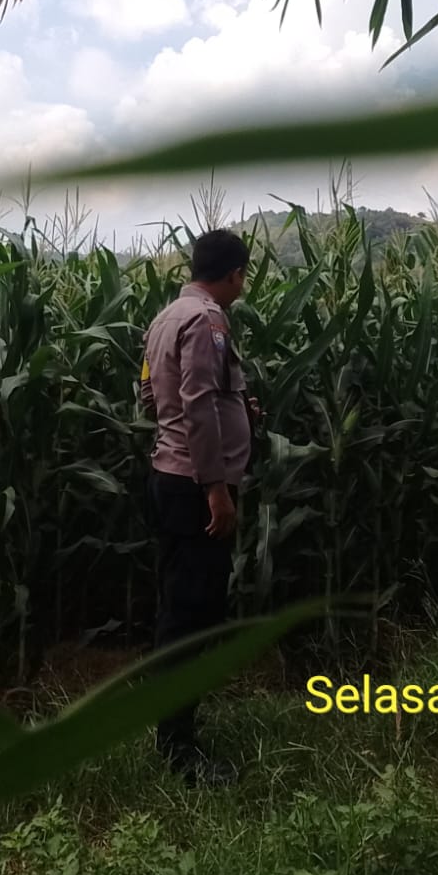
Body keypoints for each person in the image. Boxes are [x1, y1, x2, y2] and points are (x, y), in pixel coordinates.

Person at [138, 228, 261, 787]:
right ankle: (179, 749)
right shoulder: (209, 320)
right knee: (192, 613)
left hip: (170, 477)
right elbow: (196, 400)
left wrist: (239, 411)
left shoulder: (165, 318)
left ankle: (170, 722)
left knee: (177, 606)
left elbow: (151, 396)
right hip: (196, 488)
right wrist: (216, 486)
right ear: (234, 274)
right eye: (243, 276)